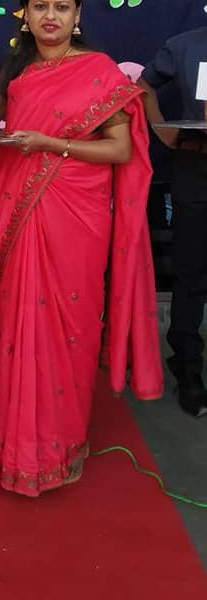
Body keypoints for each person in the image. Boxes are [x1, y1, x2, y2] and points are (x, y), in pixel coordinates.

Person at [0, 0, 162, 496]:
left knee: (71, 327)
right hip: (22, 210)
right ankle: (19, 449)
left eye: (61, 7)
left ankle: (62, 446)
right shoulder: (15, 68)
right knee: (23, 324)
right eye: (40, 6)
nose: (50, 16)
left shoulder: (99, 70)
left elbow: (120, 149)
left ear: (77, 14)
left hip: (76, 217)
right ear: (25, 13)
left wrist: (49, 144)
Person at [138, 27, 207, 417]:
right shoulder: (184, 45)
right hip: (196, 166)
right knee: (191, 272)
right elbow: (143, 85)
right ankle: (188, 368)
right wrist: (160, 128)